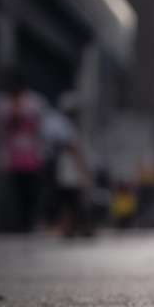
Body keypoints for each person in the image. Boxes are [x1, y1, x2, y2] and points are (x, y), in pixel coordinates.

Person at [0, 69, 48, 231]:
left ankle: (29, 221)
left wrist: (42, 152)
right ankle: (17, 223)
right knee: (13, 192)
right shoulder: (1, 103)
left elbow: (41, 130)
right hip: (12, 155)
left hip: (31, 154)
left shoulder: (34, 102)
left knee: (30, 190)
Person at [44, 91, 92, 237]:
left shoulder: (54, 121)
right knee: (69, 199)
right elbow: (71, 148)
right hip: (64, 167)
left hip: (59, 165)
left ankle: (70, 227)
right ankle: (67, 226)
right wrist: (83, 167)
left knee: (68, 198)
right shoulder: (62, 124)